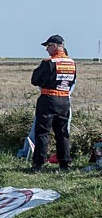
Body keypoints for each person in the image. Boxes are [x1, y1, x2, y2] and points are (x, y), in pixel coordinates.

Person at [29, 34, 76, 171]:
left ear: (55, 46)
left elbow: (35, 80)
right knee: (62, 132)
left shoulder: (48, 62)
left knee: (43, 132)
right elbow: (72, 81)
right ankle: (65, 163)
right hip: (65, 101)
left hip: (48, 99)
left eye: (48, 46)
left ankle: (39, 164)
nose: (46, 50)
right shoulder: (72, 63)